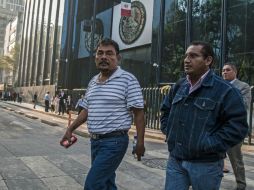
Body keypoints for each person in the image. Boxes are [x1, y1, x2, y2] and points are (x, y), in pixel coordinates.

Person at [160, 41, 248, 190]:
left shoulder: (226, 91)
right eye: (186, 56)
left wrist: (207, 144)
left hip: (206, 164)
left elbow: (238, 127)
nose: (187, 60)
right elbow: (165, 111)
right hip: (176, 159)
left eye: (193, 56)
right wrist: (170, 132)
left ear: (208, 60)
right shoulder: (179, 86)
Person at [60, 38, 145, 190]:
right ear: (95, 58)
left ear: (118, 58)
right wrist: (70, 129)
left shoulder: (128, 79)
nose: (104, 57)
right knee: (106, 183)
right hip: (95, 142)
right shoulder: (93, 81)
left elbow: (139, 113)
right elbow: (86, 110)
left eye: (109, 53)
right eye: (100, 53)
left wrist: (140, 142)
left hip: (115, 142)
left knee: (92, 185)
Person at [222, 63, 251, 190]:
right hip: (218, 128)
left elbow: (244, 105)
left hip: (234, 129)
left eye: (227, 70)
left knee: (235, 159)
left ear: (235, 72)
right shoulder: (219, 85)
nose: (224, 72)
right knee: (212, 156)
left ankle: (241, 184)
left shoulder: (243, 87)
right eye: (223, 70)